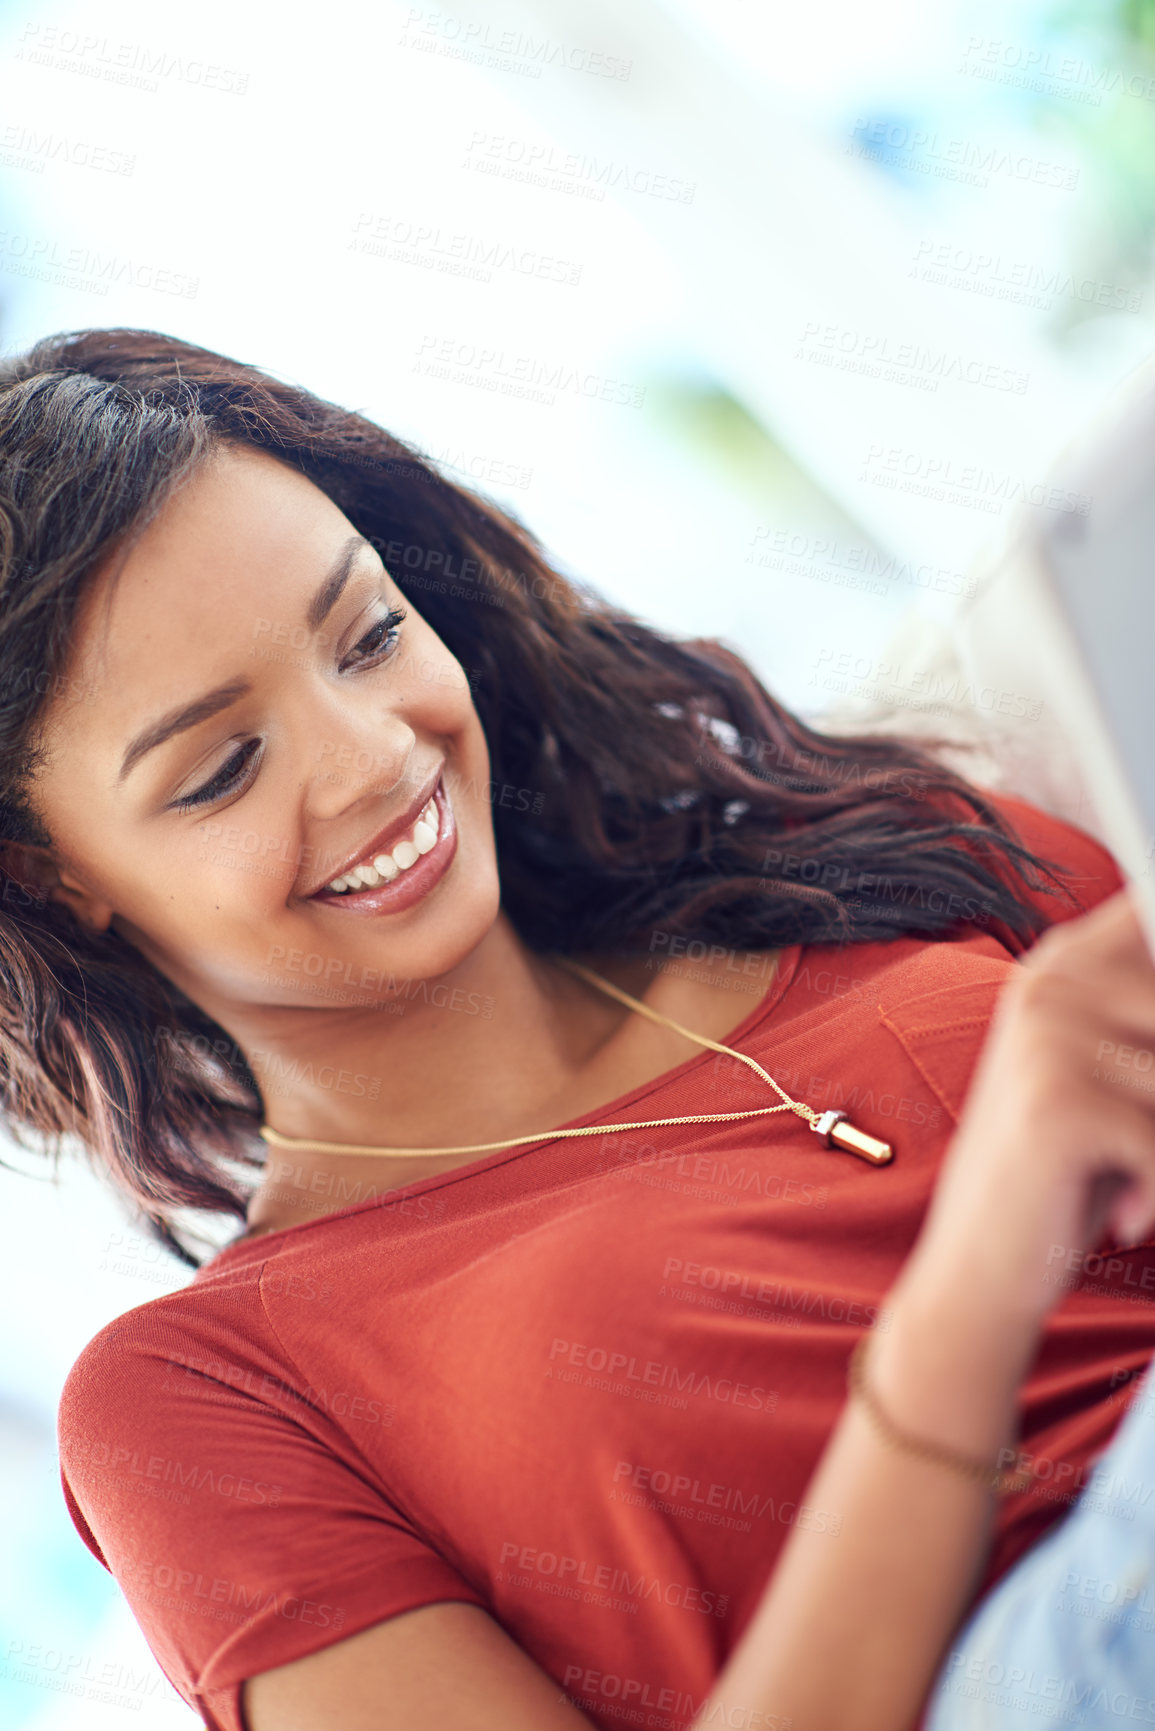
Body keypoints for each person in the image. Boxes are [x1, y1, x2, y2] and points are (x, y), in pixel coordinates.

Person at [1, 326, 1150, 1731]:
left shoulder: (845, 855)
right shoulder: (201, 1397)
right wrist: (980, 1279)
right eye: (223, 767)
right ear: (53, 880)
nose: (376, 757)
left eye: (368, 636)